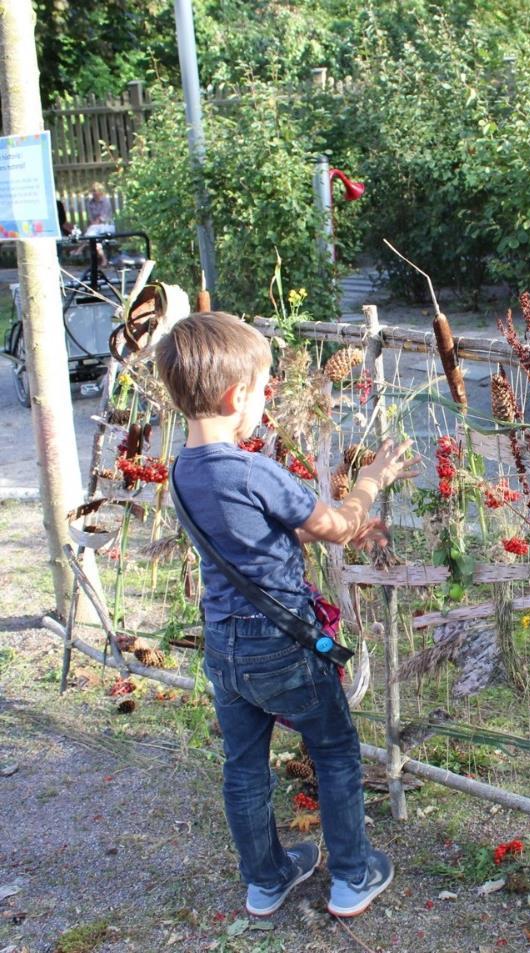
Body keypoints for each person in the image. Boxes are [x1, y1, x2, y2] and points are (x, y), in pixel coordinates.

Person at [155, 311, 420, 918]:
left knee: (244, 763)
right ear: (236, 394)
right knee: (333, 750)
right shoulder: (255, 472)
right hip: (283, 644)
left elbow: (246, 541)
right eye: (265, 386)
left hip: (223, 645)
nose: (267, 398)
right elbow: (339, 527)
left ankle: (266, 879)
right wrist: (373, 480)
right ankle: (353, 875)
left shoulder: (182, 471)